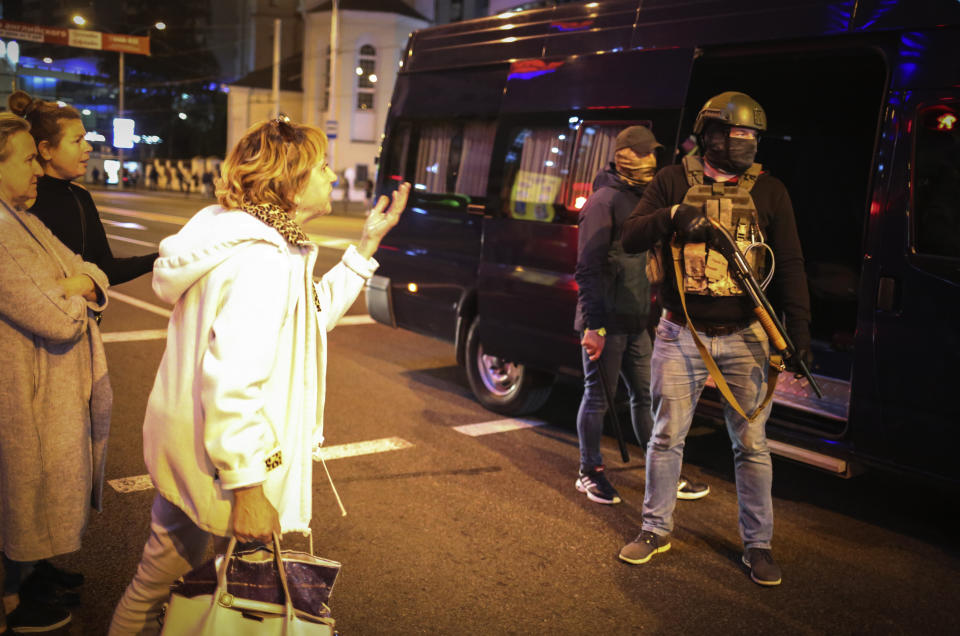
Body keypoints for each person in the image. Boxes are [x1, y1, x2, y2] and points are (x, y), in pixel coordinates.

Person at [107, 116, 410, 635]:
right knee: (226, 598)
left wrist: (364, 247)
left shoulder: (254, 240)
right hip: (226, 462)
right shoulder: (262, 259)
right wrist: (248, 487)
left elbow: (309, 316)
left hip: (195, 446)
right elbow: (232, 381)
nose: (332, 176)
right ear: (289, 180)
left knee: (158, 578)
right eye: (320, 167)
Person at [617, 92, 812, 586]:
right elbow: (631, 236)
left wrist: (799, 331)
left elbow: (789, 264)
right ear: (710, 135)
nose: (745, 142)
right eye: (736, 133)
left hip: (747, 335)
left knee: (752, 444)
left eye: (752, 135)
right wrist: (674, 216)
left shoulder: (770, 191)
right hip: (681, 333)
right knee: (666, 438)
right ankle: (655, 529)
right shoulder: (671, 180)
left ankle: (758, 545)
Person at [0, 113, 111, 633]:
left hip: (45, 383)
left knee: (33, 490)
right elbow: (58, 317)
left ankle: (25, 581)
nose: (36, 171)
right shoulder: (3, 231)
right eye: (26, 159)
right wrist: (72, 290)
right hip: (25, 387)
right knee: (20, 489)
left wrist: (77, 282)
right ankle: (11, 601)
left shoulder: (22, 217)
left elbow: (89, 268)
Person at [573, 125, 709, 505]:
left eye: (654, 152)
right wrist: (594, 326)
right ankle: (589, 471)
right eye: (644, 152)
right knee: (599, 398)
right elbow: (587, 268)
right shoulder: (604, 201)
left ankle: (661, 471)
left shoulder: (640, 198)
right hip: (606, 320)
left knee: (646, 399)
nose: (652, 159)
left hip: (636, 319)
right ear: (625, 155)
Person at [8, 91, 158, 286]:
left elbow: (104, 269)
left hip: (81, 316)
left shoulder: (80, 196)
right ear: (46, 150)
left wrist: (160, 259)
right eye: (77, 140)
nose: (88, 147)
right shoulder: (22, 200)